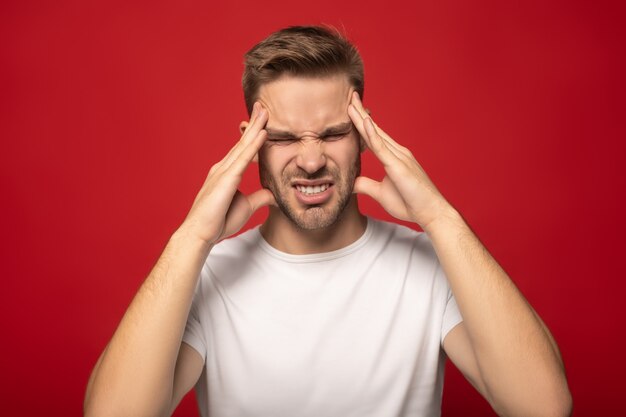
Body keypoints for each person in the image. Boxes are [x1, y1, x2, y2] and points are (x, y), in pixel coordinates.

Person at [84, 26, 572, 417]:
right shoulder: (208, 275)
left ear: (364, 134)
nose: (312, 160)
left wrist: (439, 217)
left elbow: (543, 407)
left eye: (335, 133)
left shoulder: (429, 264)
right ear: (248, 144)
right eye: (284, 139)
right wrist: (193, 237)